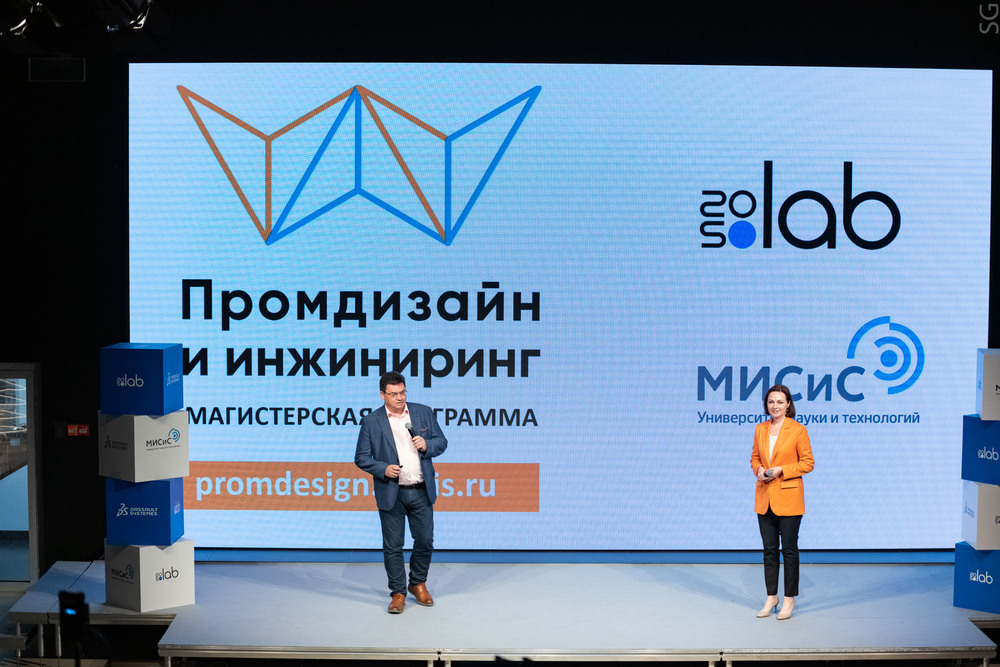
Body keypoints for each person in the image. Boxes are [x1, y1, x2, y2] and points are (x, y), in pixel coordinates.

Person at [355, 371, 448, 614]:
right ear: (382, 395)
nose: (400, 398)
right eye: (394, 394)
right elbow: (361, 458)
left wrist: (427, 445)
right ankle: (398, 592)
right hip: (391, 492)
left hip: (421, 490)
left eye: (403, 392)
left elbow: (442, 442)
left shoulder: (423, 412)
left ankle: (417, 583)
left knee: (425, 541)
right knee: (393, 546)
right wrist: (383, 469)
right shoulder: (371, 421)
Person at [750, 384, 814, 620]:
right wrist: (758, 470)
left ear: (788, 405)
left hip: (789, 497)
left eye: (779, 402)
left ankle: (789, 598)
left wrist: (781, 470)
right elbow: (755, 457)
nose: (774, 406)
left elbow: (808, 463)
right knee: (769, 550)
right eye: (771, 402)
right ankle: (771, 597)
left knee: (789, 550)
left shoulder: (798, 430)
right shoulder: (760, 429)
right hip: (764, 496)